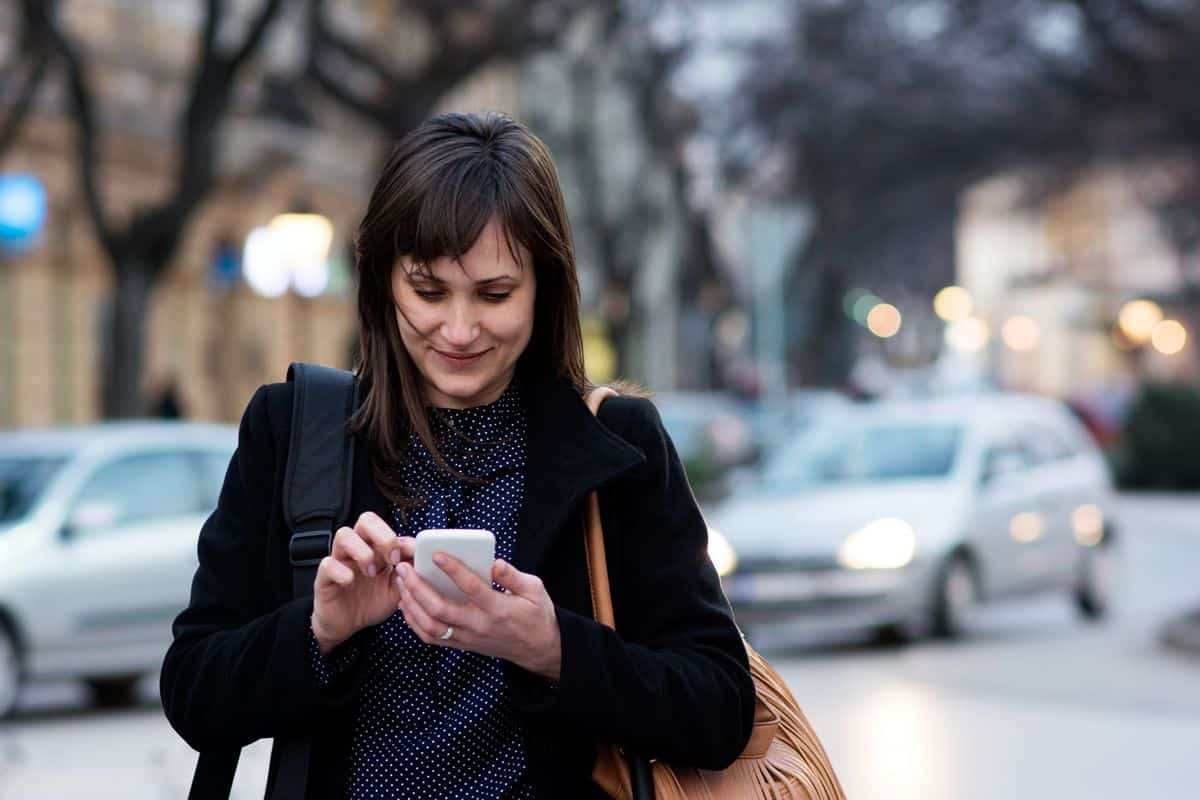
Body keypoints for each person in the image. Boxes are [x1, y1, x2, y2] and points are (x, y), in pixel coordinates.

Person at [161, 111, 755, 799]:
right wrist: (320, 630)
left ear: (546, 286)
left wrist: (553, 649)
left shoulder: (619, 444)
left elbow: (720, 707)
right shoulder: (294, 429)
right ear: (384, 281)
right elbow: (194, 691)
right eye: (429, 290)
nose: (460, 329)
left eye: (495, 294)